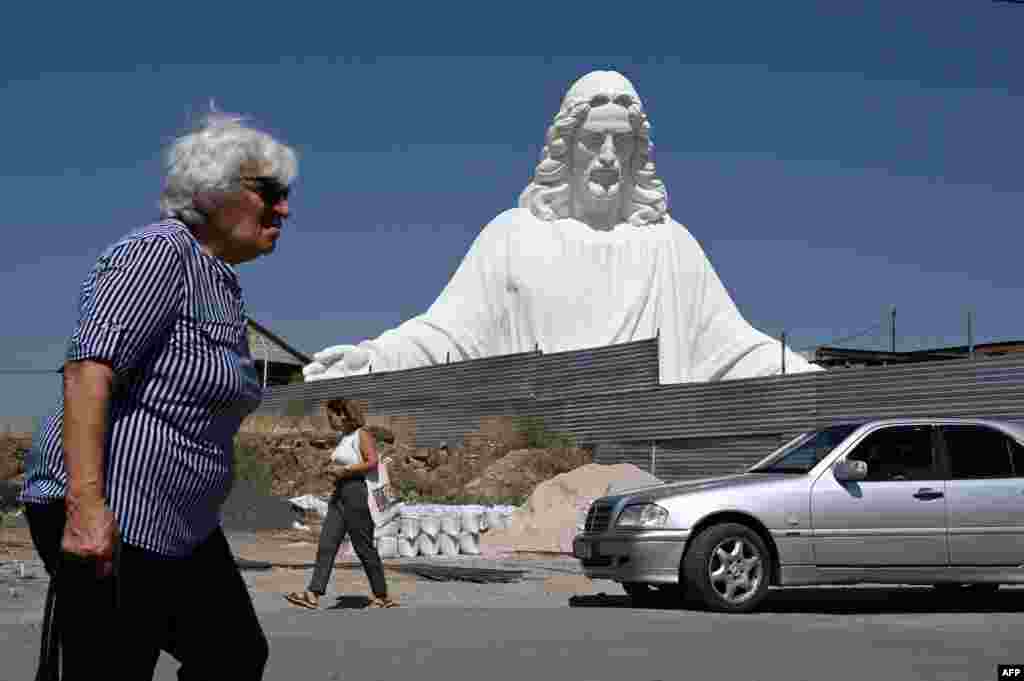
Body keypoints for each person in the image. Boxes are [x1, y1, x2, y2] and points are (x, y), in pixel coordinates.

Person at [305, 70, 822, 384]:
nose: (607, 157)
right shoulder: (513, 236)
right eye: (594, 140)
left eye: (622, 144)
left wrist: (807, 378)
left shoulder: (669, 245)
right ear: (566, 147)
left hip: (653, 445)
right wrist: (372, 358)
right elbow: (448, 333)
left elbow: (731, 346)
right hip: (537, 432)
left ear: (638, 153)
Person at [18, 109, 297, 679]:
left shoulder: (220, 284)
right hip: (119, 516)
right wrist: (87, 510)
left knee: (233, 652)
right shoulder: (160, 252)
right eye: (269, 192)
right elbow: (87, 370)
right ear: (212, 191)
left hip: (182, 523)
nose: (284, 208)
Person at [284, 398, 397, 609]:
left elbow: (372, 461)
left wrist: (344, 471)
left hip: (358, 495)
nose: (329, 420)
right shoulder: (344, 437)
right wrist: (333, 472)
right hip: (340, 494)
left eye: (331, 416)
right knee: (327, 543)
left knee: (363, 547)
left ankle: (381, 596)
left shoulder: (361, 434)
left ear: (343, 414)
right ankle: (313, 593)